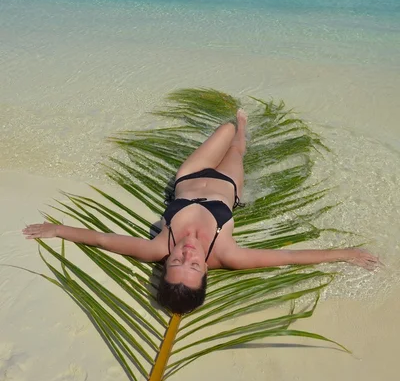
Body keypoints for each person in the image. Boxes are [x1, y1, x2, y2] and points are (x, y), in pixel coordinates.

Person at [23, 109, 380, 315]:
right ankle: (243, 128)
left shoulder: (156, 248)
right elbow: (288, 256)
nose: (188, 254)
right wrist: (345, 254)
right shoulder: (227, 254)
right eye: (194, 265)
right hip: (228, 186)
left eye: (178, 263)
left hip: (191, 175)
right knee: (237, 146)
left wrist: (58, 230)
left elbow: (102, 239)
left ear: (166, 266)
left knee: (222, 129)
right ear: (207, 269)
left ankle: (232, 125)